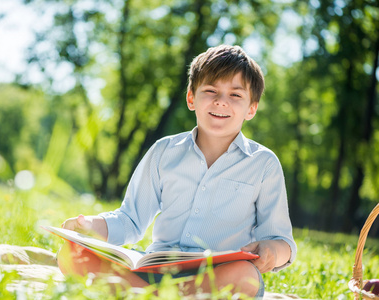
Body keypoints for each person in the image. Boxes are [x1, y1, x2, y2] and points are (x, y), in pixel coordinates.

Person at [59, 44, 297, 299]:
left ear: (252, 108)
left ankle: (146, 294)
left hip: (218, 274)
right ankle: (160, 292)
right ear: (191, 98)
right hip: (157, 268)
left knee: (245, 276)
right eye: (211, 90)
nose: (221, 101)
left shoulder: (263, 164)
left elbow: (281, 241)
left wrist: (271, 250)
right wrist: (90, 226)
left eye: (235, 95)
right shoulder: (164, 151)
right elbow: (130, 219)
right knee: (70, 255)